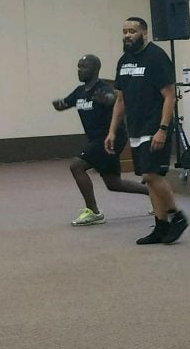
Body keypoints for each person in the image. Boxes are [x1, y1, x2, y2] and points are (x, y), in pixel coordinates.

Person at [105, 17, 188, 245]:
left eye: (132, 31)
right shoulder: (124, 61)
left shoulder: (156, 57)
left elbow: (169, 95)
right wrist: (112, 130)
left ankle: (177, 217)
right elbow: (120, 99)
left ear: (144, 33)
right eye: (124, 31)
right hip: (136, 128)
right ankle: (161, 226)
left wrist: (162, 128)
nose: (127, 35)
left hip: (154, 126)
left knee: (151, 174)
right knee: (149, 180)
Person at [53, 54, 149, 225]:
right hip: (95, 139)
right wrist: (58, 104)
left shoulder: (102, 89)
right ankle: (156, 193)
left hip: (110, 138)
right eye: (78, 66)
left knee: (76, 166)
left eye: (84, 67)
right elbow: (65, 104)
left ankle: (93, 212)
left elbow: (116, 101)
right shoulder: (80, 91)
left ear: (96, 70)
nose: (80, 70)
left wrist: (109, 100)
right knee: (114, 183)